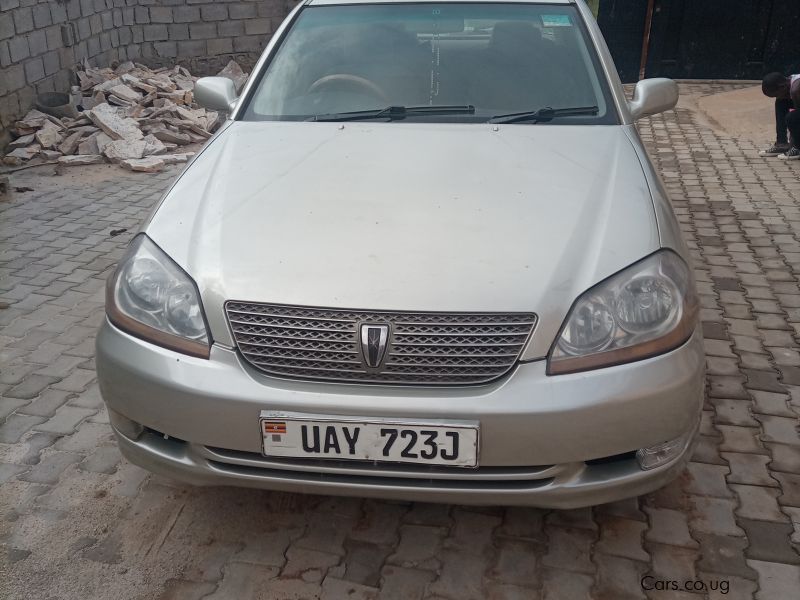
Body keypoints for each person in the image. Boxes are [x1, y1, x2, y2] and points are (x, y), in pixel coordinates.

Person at [760, 72, 800, 160]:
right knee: (780, 102)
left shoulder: (796, 90)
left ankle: (798, 148)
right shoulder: (788, 82)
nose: (777, 97)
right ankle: (781, 144)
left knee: (792, 117)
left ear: (782, 87)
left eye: (776, 94)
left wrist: (794, 144)